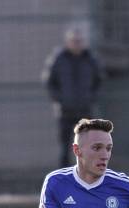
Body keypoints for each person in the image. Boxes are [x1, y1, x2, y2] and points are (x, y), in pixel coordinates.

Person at [42, 28, 103, 168]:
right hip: (65, 110)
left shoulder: (90, 59)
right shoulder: (59, 59)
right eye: (74, 41)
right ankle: (64, 178)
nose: (77, 44)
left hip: (85, 110)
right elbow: (50, 82)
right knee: (65, 146)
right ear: (68, 42)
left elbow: (99, 81)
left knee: (87, 146)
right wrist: (60, 99)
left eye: (79, 41)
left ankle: (86, 176)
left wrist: (91, 98)